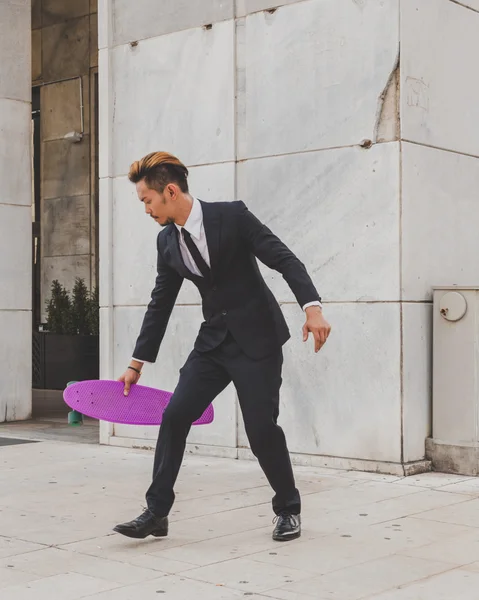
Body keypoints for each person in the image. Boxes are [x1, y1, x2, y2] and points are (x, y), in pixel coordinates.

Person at [114, 151, 331, 542]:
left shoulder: (231, 217)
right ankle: (157, 512)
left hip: (257, 340)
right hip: (212, 342)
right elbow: (160, 303)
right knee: (175, 415)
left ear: (170, 191)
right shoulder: (167, 241)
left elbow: (283, 259)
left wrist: (312, 309)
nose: (145, 209)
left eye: (147, 200)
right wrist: (136, 363)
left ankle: (288, 509)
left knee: (261, 430)